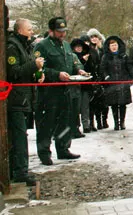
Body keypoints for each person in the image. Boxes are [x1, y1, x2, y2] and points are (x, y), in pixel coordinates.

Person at [34, 17, 86, 165]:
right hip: (49, 92)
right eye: (59, 31)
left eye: (64, 31)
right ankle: (44, 152)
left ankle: (63, 148)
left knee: (65, 121)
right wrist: (57, 74)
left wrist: (78, 70)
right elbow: (39, 68)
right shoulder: (42, 46)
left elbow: (71, 62)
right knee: (47, 123)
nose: (62, 34)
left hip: (66, 90)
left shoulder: (66, 46)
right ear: (51, 31)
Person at [6, 18, 44, 185]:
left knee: (21, 136)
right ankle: (20, 172)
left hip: (25, 98)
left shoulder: (26, 46)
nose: (32, 31)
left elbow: (26, 69)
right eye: (29, 29)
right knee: (19, 138)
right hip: (16, 99)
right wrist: (34, 66)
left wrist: (37, 75)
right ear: (20, 30)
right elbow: (14, 72)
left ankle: (20, 170)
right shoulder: (12, 47)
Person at [100, 36, 132, 130]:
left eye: (115, 45)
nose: (114, 47)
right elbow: (102, 69)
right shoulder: (105, 57)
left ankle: (122, 122)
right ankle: (116, 123)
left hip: (123, 82)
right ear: (109, 47)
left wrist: (129, 78)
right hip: (112, 83)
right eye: (112, 45)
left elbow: (128, 67)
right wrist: (107, 77)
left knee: (122, 104)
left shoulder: (124, 56)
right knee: (114, 104)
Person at [88, 28, 109, 129]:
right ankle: (93, 123)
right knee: (93, 103)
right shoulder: (87, 50)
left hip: (102, 78)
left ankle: (103, 120)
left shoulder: (103, 50)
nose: (94, 39)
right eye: (91, 37)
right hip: (92, 78)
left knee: (104, 102)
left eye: (95, 36)